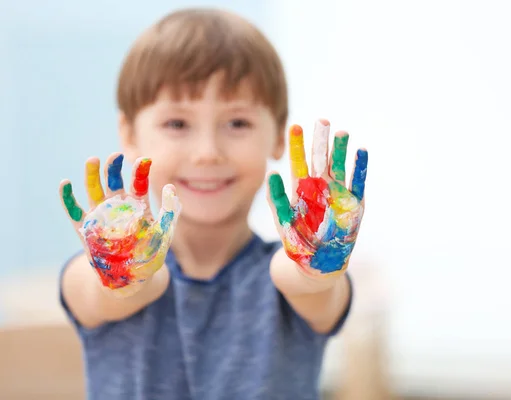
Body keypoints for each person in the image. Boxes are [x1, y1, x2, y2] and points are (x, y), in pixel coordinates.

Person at [58, 7, 368, 400]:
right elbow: (121, 290)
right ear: (129, 133)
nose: (207, 153)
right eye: (177, 124)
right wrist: (122, 270)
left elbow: (309, 285)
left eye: (237, 123)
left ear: (277, 134)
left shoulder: (289, 276)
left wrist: (317, 263)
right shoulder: (96, 270)